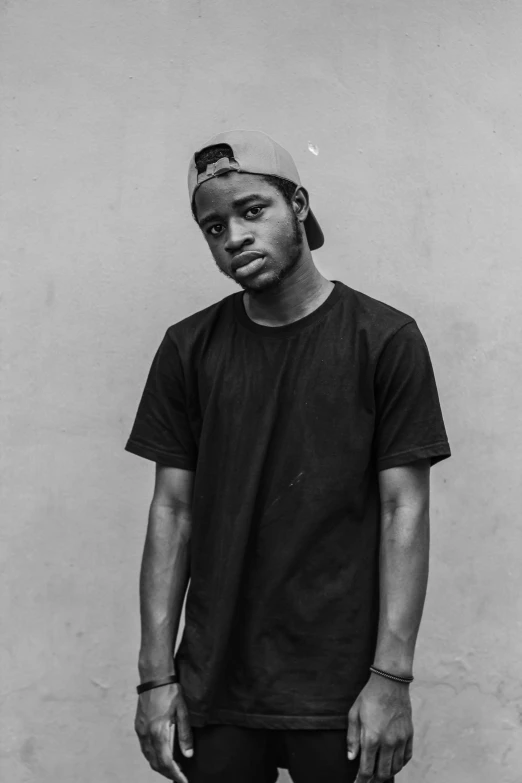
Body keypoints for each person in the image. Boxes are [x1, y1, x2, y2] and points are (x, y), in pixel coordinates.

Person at [125, 130, 451, 783]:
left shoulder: (385, 339)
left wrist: (392, 676)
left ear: (297, 205)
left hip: (341, 687)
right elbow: (173, 511)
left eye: (252, 210)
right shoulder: (189, 348)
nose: (234, 236)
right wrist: (153, 678)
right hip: (213, 683)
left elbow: (402, 510)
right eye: (213, 226)